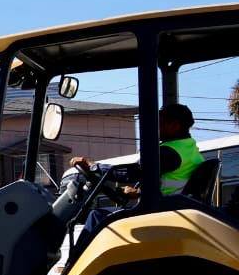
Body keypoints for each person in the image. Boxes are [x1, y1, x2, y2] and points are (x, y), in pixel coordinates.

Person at [69, 104, 203, 251]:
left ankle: (73, 262)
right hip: (168, 209)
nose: (155, 127)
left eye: (160, 122)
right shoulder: (189, 150)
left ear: (174, 125)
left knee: (97, 216)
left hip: (160, 214)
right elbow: (173, 184)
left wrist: (93, 166)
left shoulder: (168, 152)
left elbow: (130, 173)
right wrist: (139, 193)